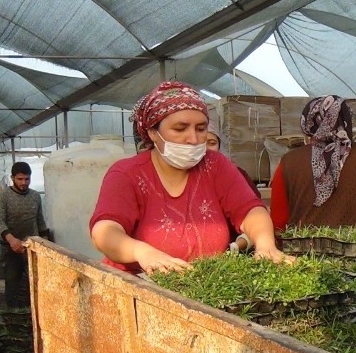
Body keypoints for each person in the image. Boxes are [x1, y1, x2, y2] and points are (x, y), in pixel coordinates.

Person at [89, 81, 288, 275]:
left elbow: (250, 210)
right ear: (152, 132)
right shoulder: (127, 174)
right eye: (180, 129)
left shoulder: (215, 166)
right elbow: (105, 232)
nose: (193, 139)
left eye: (201, 129)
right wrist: (142, 252)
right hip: (140, 289)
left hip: (203, 285)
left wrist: (265, 244)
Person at [269, 95, 356, 231]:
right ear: (345, 120)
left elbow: (278, 222)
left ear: (308, 123)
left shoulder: (289, 162)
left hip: (303, 251)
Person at [0, 162, 48, 308]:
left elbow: (40, 220)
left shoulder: (35, 196)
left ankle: (34, 312)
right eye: (20, 179)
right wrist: (11, 240)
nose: (24, 182)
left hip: (31, 245)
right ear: (12, 178)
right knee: (12, 282)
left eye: (27, 179)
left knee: (34, 280)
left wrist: (46, 242)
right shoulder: (2, 196)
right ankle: (13, 314)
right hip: (10, 246)